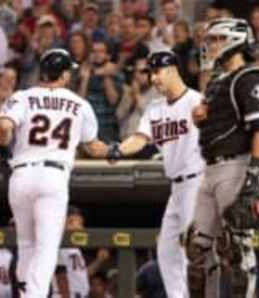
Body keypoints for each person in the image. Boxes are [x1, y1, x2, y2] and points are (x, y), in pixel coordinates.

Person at [0, 48, 111, 298]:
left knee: (26, 244)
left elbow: (4, 127)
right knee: (47, 248)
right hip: (53, 176)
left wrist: (5, 146)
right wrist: (116, 151)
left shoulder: (23, 96)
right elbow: (93, 147)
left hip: (21, 174)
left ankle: (26, 293)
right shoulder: (79, 103)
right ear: (63, 74)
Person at [185, 18, 259, 298]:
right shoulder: (217, 81)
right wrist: (202, 119)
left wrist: (253, 176)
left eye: (216, 40)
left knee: (237, 247)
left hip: (239, 164)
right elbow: (218, 123)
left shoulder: (249, 78)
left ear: (235, 41)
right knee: (196, 247)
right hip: (210, 168)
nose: (210, 46)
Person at [107, 50, 204, 298]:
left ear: (172, 70)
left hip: (197, 182)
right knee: (166, 249)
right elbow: (140, 138)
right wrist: (118, 150)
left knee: (189, 251)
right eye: (150, 73)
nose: (153, 79)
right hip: (177, 186)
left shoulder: (196, 101)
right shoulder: (155, 107)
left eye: (157, 72)